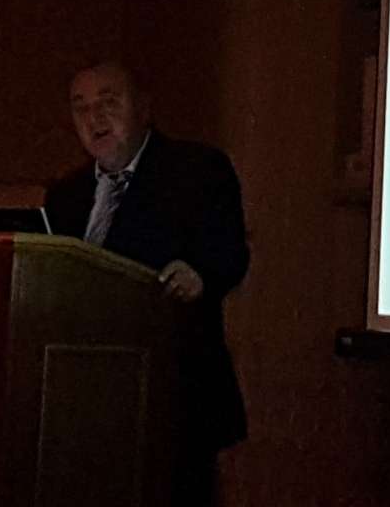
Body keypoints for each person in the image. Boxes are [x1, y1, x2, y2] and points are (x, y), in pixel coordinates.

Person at [45, 60, 249, 505]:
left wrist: (200, 275)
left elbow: (230, 253)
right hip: (84, 404)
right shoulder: (64, 195)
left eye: (108, 102)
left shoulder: (197, 170)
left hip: (173, 398)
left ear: (143, 107)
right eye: (80, 107)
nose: (94, 118)